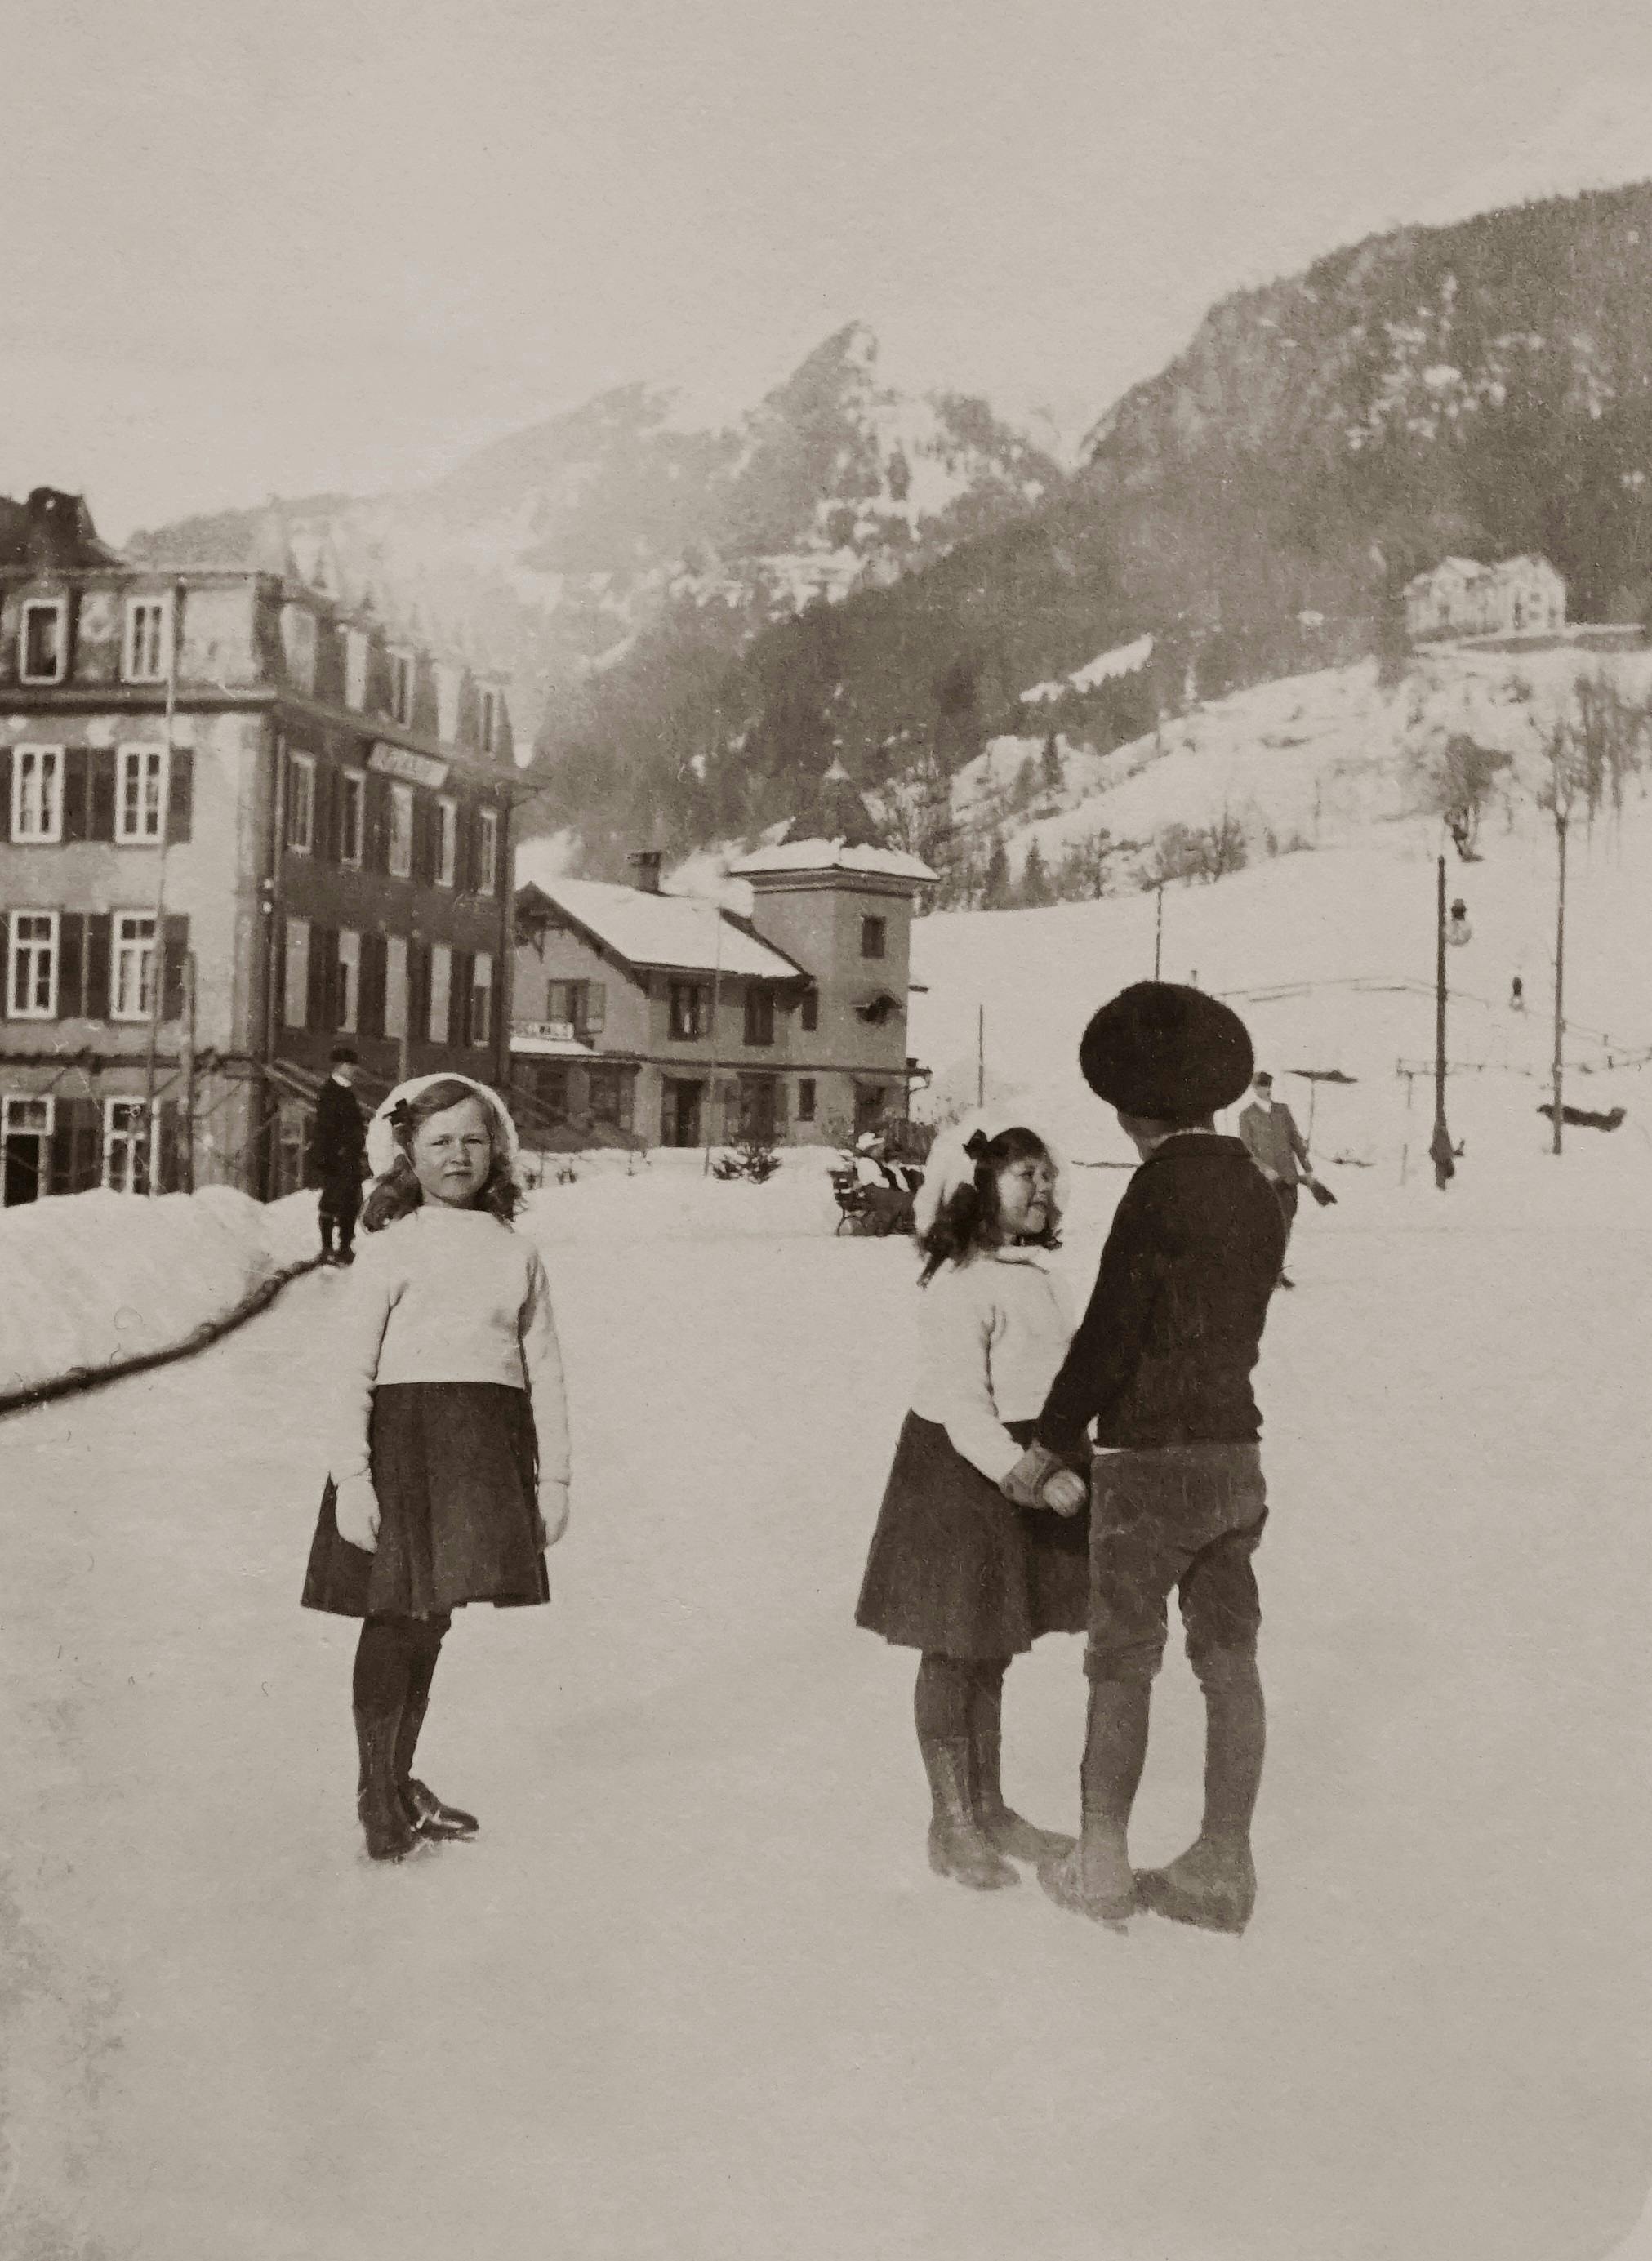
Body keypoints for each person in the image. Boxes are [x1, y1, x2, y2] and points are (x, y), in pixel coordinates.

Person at [1002, 983, 1285, 1934]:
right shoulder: (1253, 1183)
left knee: (1121, 1663)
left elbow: (1111, 1336)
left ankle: (1102, 1865)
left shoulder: (1153, 1189)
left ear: (1127, 1108)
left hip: (1146, 1462)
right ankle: (1224, 1861)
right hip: (1234, 1455)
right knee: (1229, 1661)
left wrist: (1046, 1447)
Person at [301, 1074, 572, 1863]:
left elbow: (546, 1370)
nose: (459, 1155)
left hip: (483, 1450)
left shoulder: (517, 1254)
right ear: (408, 1154)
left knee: (434, 1616)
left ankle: (397, 1779)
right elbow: (347, 1372)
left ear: (500, 1152)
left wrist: (553, 1478)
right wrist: (352, 1478)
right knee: (395, 1617)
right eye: (440, 1141)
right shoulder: (388, 1250)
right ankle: (375, 1796)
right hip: (402, 1452)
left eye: (475, 1139)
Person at [855, 1111, 1091, 1891]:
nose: (1043, 1187)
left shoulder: (1038, 1276)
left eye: (1046, 1174)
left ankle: (990, 1807)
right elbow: (965, 1409)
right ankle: (949, 1820)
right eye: (1025, 1174)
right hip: (960, 1478)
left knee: (991, 1644)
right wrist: (1031, 1475)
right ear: (975, 1189)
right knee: (953, 1647)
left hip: (1018, 1468)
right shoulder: (961, 1284)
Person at [1236, 1070, 1324, 1289]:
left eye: (1265, 1085)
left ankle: (1277, 1271)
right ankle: (1264, 1272)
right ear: (1252, 1088)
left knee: (1286, 1226)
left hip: (1289, 1179)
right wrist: (1265, 1169)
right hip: (1264, 1183)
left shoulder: (1282, 1110)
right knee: (1266, 1227)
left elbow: (1296, 1140)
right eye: (1258, 1086)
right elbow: (1247, 1151)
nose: (1262, 1089)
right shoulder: (1246, 1116)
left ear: (1270, 1086)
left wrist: (1308, 1168)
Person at [311, 1045, 369, 1266]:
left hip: (349, 1157)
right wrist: (335, 1153)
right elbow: (327, 1127)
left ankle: (344, 1247)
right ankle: (327, 1248)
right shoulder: (330, 1092)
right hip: (336, 1158)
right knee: (332, 1200)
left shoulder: (345, 1091)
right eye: (350, 1065)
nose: (354, 1069)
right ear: (340, 1066)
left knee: (350, 1202)